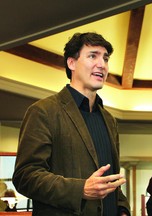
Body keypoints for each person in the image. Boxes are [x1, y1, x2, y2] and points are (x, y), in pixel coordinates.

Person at [12, 32, 130, 216]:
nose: (102, 64)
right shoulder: (43, 111)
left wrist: (122, 208)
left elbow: (110, 179)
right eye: (93, 56)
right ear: (71, 63)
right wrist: (80, 189)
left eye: (106, 59)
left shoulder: (110, 120)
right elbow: (25, 176)